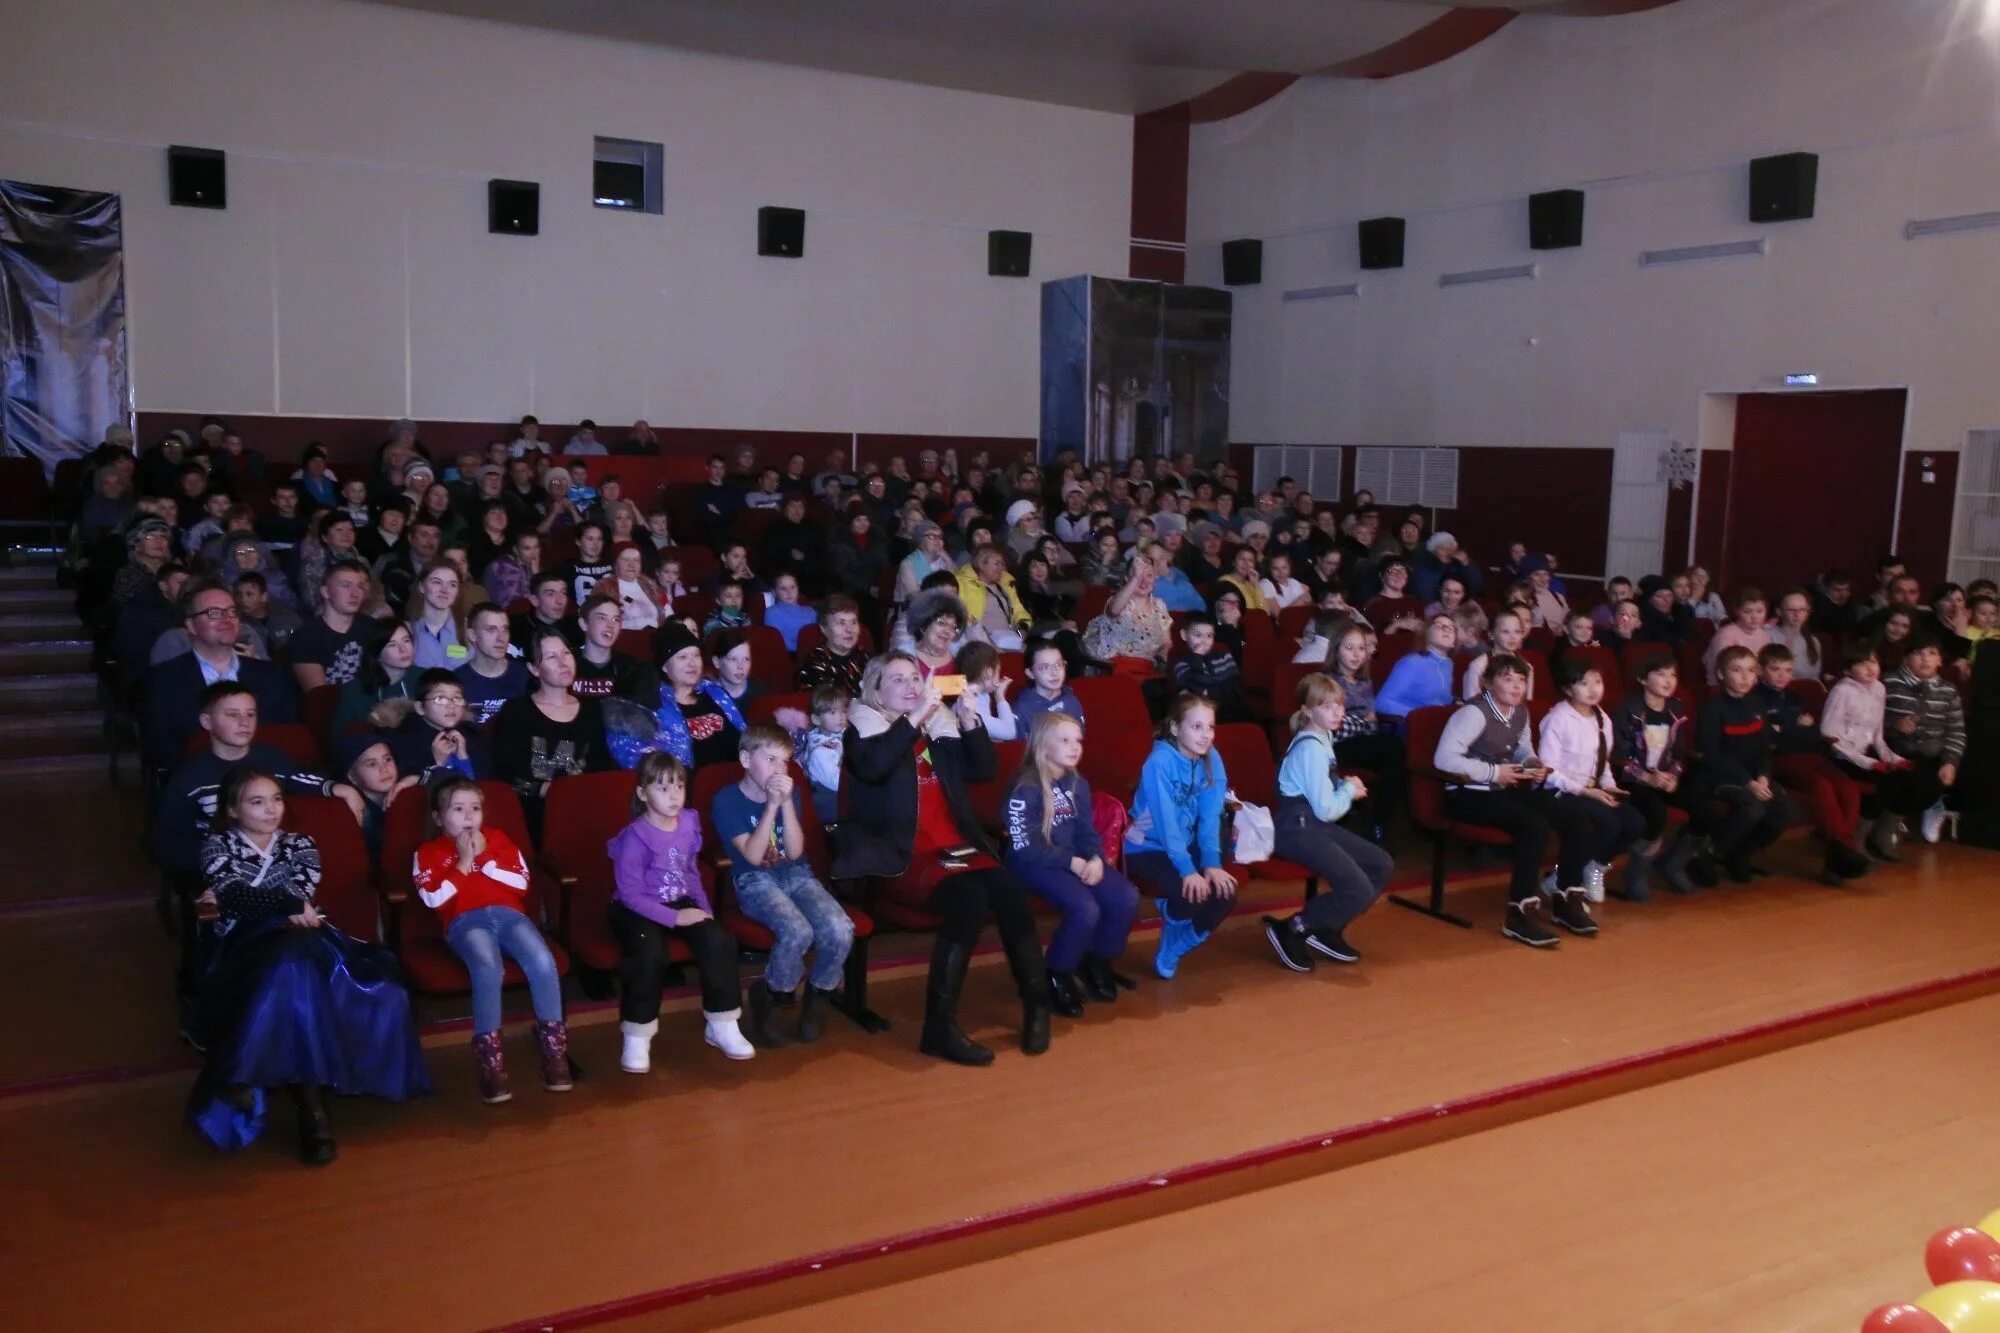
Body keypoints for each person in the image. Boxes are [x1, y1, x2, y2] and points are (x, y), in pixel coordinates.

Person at [186, 769, 428, 1164]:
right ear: (232, 809)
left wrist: (274, 902)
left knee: (310, 965)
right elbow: (237, 898)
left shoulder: (301, 843)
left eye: (277, 799)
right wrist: (280, 904)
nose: (270, 810)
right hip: (245, 948)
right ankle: (313, 1111)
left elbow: (296, 893)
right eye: (256, 802)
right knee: (289, 968)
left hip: (310, 941)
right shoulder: (217, 845)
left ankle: (244, 1076)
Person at [835, 651, 1053, 1065]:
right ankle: (938, 1027)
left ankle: (1037, 1003)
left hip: (956, 845)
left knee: (1008, 888)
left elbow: (983, 768)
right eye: (896, 680)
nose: (910, 685)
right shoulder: (861, 733)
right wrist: (915, 716)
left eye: (913, 678)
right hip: (902, 856)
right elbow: (876, 767)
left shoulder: (936, 727)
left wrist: (970, 718)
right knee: (969, 898)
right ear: (876, 691)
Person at [410, 778, 571, 1103]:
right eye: (458, 809)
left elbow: (521, 883)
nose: (469, 816)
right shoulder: (427, 852)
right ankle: (491, 1064)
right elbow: (432, 898)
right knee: (488, 967)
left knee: (542, 960)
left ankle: (554, 1054)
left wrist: (483, 860)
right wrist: (463, 863)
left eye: (475, 808)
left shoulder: (498, 840)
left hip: (510, 916)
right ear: (440, 818)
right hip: (466, 922)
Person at [606, 750, 755, 1071]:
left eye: (678, 787)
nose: (674, 795)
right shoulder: (635, 837)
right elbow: (631, 895)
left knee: (718, 940)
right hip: (636, 907)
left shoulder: (688, 821)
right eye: (663, 788)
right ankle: (637, 1035)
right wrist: (675, 917)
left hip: (678, 898)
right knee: (649, 951)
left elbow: (689, 872)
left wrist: (702, 911)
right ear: (643, 794)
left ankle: (722, 1023)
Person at [1435, 655, 1595, 945]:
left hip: (1506, 786)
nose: (1516, 686)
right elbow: (1444, 759)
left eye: (1521, 680)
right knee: (1533, 825)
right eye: (1507, 678)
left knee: (1575, 820)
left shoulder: (1520, 711)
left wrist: (1533, 763)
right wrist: (1493, 772)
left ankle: (1566, 896)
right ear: (1488, 682)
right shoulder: (1474, 713)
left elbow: (1523, 750)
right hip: (1468, 793)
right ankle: (1520, 912)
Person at [714, 725, 856, 1045]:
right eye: (771, 759)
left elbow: (793, 851)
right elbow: (752, 855)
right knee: (798, 930)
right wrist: (771, 807)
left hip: (796, 873)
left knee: (839, 928)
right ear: (746, 759)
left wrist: (787, 803)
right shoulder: (727, 800)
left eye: (785, 761)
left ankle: (818, 995)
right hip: (754, 879)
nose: (780, 769)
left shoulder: (790, 793)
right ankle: (775, 997)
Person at [1005, 713, 1139, 1011]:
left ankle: (1097, 960)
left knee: (1125, 897)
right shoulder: (1025, 787)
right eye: (1064, 740)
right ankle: (1057, 972)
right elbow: (1026, 845)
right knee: (1085, 908)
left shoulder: (1077, 783)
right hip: (1034, 862)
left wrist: (1095, 857)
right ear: (1043, 746)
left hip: (1073, 858)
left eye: (1078, 740)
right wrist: (1074, 863)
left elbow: (1085, 831)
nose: (1075, 746)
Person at [1260, 674, 1393, 972]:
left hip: (1313, 825)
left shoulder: (1323, 737)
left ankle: (1324, 926)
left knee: (1380, 864)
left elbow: (1320, 792)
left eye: (1340, 705)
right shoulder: (1312, 748)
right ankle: (1293, 928)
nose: (1337, 712)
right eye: (1327, 706)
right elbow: (1326, 809)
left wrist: (1344, 786)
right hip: (1297, 828)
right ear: (1308, 710)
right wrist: (1349, 789)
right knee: (1357, 887)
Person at [1125, 694, 1235, 979]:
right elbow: (1166, 824)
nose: (1205, 735)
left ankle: (1174, 946)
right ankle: (1174, 911)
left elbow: (1210, 817)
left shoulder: (1212, 758)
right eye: (1196, 727)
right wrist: (1187, 870)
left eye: (1210, 727)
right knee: (1192, 896)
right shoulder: (1159, 762)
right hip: (1146, 847)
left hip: (1183, 843)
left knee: (1225, 894)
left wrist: (1212, 863)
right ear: (1175, 728)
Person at [1536, 660, 1648, 907]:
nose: (1593, 689)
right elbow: (1548, 769)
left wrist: (1609, 785)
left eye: (1597, 681)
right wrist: (1586, 792)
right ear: (1567, 689)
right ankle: (1562, 877)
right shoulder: (1557, 719)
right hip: (1560, 790)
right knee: (1608, 822)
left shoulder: (1602, 719)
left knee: (1635, 822)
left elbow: (1603, 761)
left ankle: (1594, 865)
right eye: (1583, 683)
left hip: (1591, 788)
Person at [1690, 646, 1803, 883]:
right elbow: (1712, 756)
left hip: (1753, 776)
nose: (1744, 677)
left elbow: (1764, 748)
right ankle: (1709, 855)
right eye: (1737, 670)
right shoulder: (1713, 708)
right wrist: (1747, 782)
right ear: (1722, 674)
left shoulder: (1756, 704)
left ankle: (1740, 852)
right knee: (1752, 806)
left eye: (1751, 671)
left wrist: (1763, 775)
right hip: (1719, 777)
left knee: (1786, 811)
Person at [1821, 644, 1941, 861]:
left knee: (1914, 777)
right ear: (1848, 671)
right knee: (1884, 781)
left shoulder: (1879, 688)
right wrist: (1870, 763)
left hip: (1868, 752)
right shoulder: (1842, 691)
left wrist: (1894, 759)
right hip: (1844, 757)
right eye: (1862, 664)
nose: (1870, 668)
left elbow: (1877, 735)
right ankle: (1858, 838)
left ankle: (1884, 833)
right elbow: (1831, 735)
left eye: (1873, 662)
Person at [492, 628, 614, 838]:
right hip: (535, 817)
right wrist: (556, 794)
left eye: (566, 653)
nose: (563, 662)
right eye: (551, 657)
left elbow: (601, 766)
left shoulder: (592, 710)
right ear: (534, 668)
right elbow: (508, 775)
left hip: (585, 812)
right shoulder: (516, 712)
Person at [1608, 654, 1701, 898]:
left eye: (1673, 674)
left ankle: (1673, 864)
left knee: (1704, 808)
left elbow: (1680, 751)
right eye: (1661, 674)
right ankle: (1635, 872)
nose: (1669, 680)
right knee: (1655, 815)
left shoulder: (1676, 708)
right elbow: (1619, 756)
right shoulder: (1629, 709)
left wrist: (1674, 776)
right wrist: (1648, 778)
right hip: (1633, 779)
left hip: (1664, 778)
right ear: (1642, 678)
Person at [616, 621, 746, 771]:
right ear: (665, 666)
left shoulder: (715, 694)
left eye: (696, 655)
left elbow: (743, 742)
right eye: (683, 657)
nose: (692, 663)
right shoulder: (651, 704)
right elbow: (639, 760)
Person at [1882, 636, 1966, 846]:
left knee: (1933, 781)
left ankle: (1920, 810)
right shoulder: (1889, 682)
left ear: (1940, 660)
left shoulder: (1948, 690)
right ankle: (1886, 824)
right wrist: (1894, 724)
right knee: (1898, 778)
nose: (1925, 659)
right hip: (1895, 750)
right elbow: (1868, 718)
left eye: (1932, 653)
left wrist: (1950, 761)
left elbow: (1956, 730)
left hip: (1930, 753)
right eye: (1918, 653)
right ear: (1906, 658)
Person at [379, 668, 490, 785]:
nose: (451, 705)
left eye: (457, 698)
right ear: (420, 708)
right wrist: (437, 766)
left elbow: (484, 787)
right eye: (440, 699)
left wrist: (463, 759)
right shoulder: (401, 740)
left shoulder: (473, 734)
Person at [288, 559, 377, 692]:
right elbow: (320, 698)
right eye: (346, 586)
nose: (355, 593)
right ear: (326, 592)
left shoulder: (371, 626)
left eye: (359, 586)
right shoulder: (306, 638)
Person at [328, 621, 418, 747]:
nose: (403, 649)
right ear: (377, 653)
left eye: (406, 641)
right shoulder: (354, 691)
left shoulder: (427, 678)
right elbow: (340, 740)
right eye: (392, 645)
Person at [1081, 558, 1175, 671]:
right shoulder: (1117, 600)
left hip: (1147, 666)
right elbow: (1114, 610)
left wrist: (1163, 653)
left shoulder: (1160, 605)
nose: (1143, 581)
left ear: (1154, 579)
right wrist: (1136, 578)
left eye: (1149, 576)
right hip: (1113, 665)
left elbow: (1166, 642)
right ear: (1127, 578)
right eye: (1138, 575)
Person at [1374, 613, 1459, 723]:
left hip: (1438, 722)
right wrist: (1420, 715)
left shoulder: (1448, 663)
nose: (1446, 630)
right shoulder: (1411, 662)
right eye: (1439, 626)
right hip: (1413, 726)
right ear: (1426, 633)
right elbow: (1381, 703)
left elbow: (1439, 697)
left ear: (1454, 642)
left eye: (1451, 628)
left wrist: (1455, 702)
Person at [1171, 613, 1245, 722]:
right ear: (1184, 635)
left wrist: (1210, 691)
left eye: (1209, 636)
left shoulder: (1224, 656)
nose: (1204, 641)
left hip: (1230, 710)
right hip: (1200, 715)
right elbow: (1196, 689)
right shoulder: (1182, 663)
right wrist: (1197, 658)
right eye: (1198, 635)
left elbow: (1237, 688)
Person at [570, 595, 644, 699]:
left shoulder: (627, 667)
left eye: (616, 619)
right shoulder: (567, 663)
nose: (610, 625)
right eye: (602, 618)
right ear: (584, 624)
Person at [795, 596, 869, 695]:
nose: (849, 630)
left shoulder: (866, 658)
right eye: (841, 623)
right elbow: (823, 706)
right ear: (824, 629)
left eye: (853, 622)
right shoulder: (815, 663)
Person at [797, 685, 849, 822]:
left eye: (843, 711)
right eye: (832, 712)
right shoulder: (820, 751)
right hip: (831, 805)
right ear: (816, 719)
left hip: (844, 798)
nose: (840, 717)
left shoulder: (839, 736)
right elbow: (837, 783)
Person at [404, 563, 469, 670]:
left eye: (452, 585)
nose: (444, 590)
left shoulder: (471, 629)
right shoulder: (406, 631)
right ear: (421, 587)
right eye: (437, 582)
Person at [1013, 639, 1085, 732]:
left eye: (1058, 664)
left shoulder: (1071, 700)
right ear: (1030, 673)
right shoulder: (1021, 709)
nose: (1054, 673)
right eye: (1045, 667)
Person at [1703, 587, 1772, 684]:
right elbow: (1723, 672)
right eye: (1747, 611)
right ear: (1737, 611)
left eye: (1759, 611)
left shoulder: (1765, 635)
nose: (1754, 617)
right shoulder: (1725, 635)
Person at [955, 641, 1019, 740]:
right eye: (998, 671)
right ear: (988, 674)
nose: (999, 676)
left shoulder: (982, 694)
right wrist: (1000, 697)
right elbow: (1009, 732)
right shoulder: (970, 706)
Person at [1463, 609, 1533, 701]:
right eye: (1505, 632)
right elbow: (1470, 703)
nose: (1513, 637)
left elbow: (1527, 703)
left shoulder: (1527, 667)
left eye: (1517, 632)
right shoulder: (1479, 666)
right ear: (1491, 634)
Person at [763, 572, 816, 652]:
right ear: (774, 592)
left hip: (813, 654)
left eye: (792, 587)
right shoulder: (772, 612)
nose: (789, 592)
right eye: (783, 588)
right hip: (789, 656)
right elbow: (776, 643)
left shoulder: (811, 612)